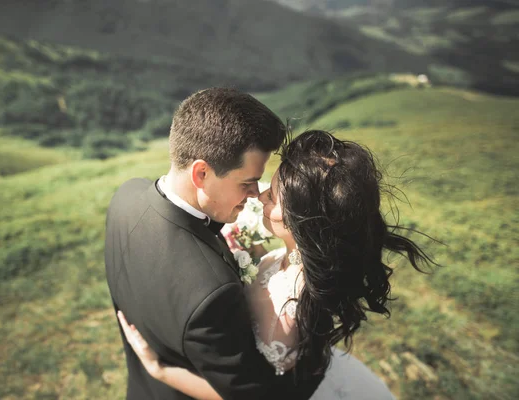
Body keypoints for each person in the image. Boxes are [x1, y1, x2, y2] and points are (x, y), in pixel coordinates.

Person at [118, 130, 436, 399]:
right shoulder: (302, 264)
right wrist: (247, 247)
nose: (260, 197)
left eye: (273, 196)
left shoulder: (289, 308)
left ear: (302, 221)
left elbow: (253, 394)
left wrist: (158, 369)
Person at [105, 89, 324, 400]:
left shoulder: (126, 196)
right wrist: (162, 371)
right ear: (202, 172)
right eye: (246, 182)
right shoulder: (211, 291)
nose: (255, 194)